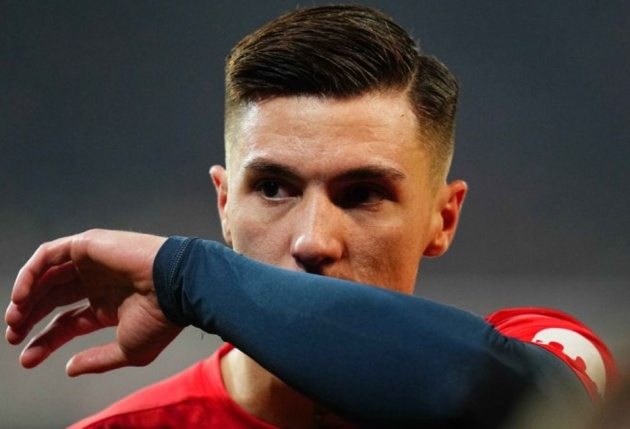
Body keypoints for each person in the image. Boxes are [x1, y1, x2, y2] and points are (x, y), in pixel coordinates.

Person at [4, 4, 618, 429]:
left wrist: (187, 275)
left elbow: (534, 408)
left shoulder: (546, 351)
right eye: (273, 188)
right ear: (224, 205)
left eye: (363, 194)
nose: (312, 241)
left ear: (444, 218)